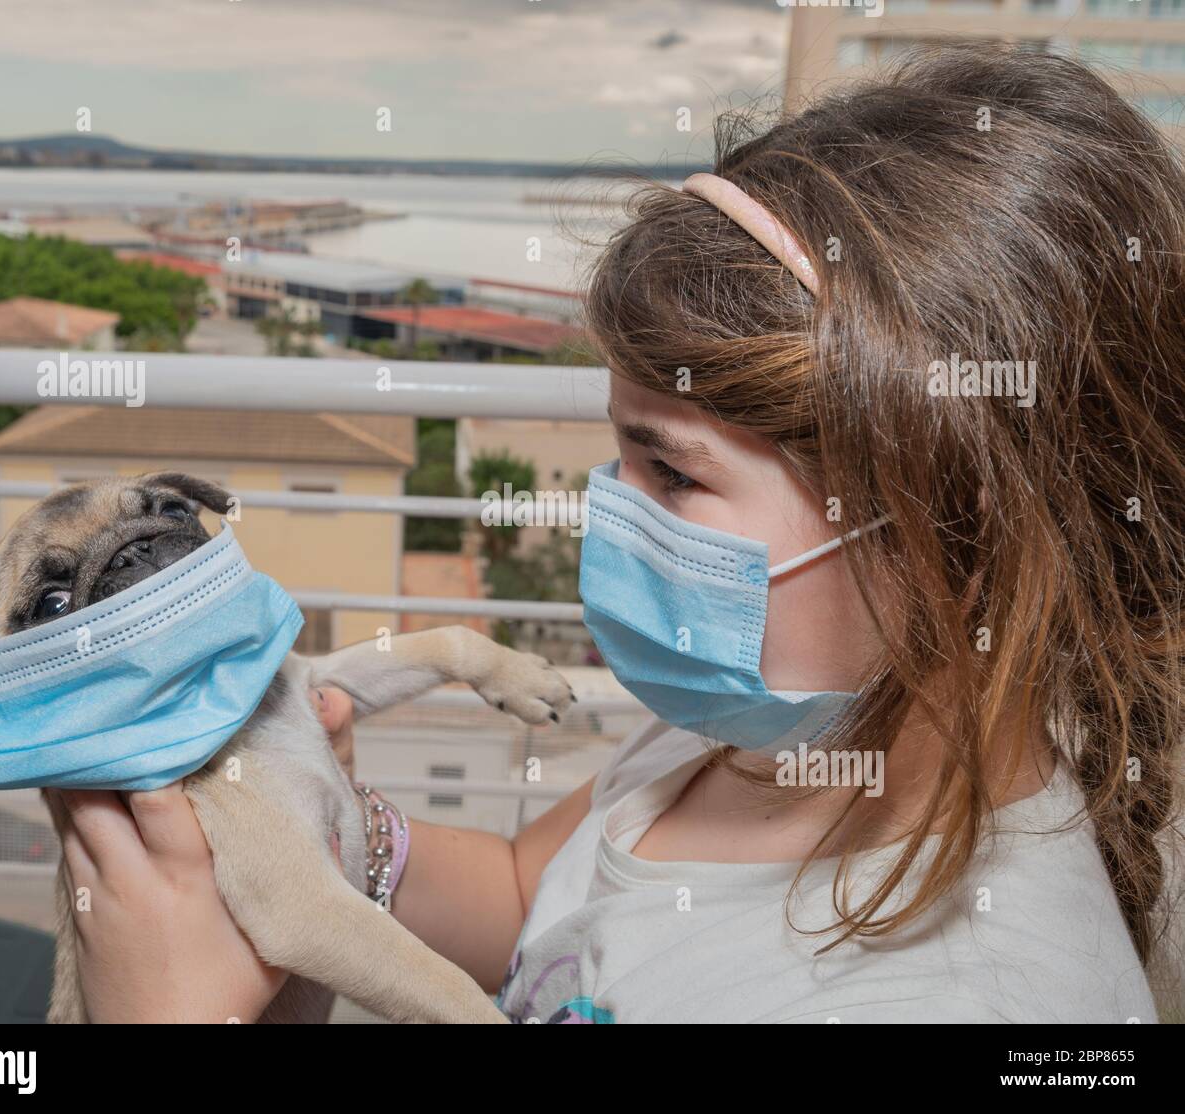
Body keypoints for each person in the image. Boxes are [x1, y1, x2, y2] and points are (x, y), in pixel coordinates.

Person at [59, 44, 1182, 1023]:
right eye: (619, 451)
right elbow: (522, 897)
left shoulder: (970, 1000)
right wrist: (333, 835)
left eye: (669, 469)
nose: (609, 508)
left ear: (955, 537)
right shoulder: (764, 719)